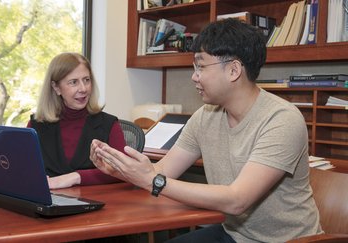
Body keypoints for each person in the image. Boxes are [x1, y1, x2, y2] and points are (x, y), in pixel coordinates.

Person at [90, 18, 323, 242]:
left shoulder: (282, 119)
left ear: (233, 70)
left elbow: (237, 200)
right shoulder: (205, 117)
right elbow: (162, 170)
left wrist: (153, 181)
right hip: (235, 235)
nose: (194, 76)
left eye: (200, 66)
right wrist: (118, 168)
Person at [28, 52, 126, 189]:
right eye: (73, 82)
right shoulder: (36, 125)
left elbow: (124, 171)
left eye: (86, 80)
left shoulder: (109, 125)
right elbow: (23, 169)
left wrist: (76, 177)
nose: (83, 89)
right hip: (48, 203)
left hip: (95, 203)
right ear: (56, 87)